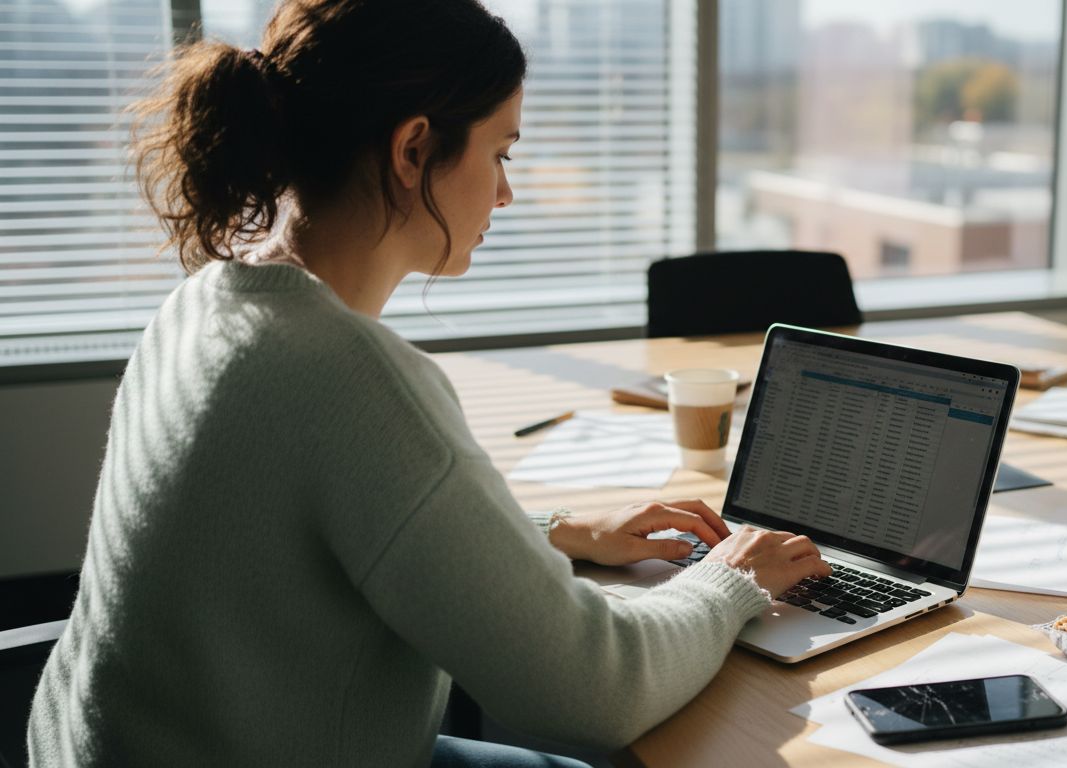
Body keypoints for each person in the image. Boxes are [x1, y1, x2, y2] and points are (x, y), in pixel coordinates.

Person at [26, 1, 831, 765]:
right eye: (501, 152)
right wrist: (731, 581)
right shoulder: (345, 377)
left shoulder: (206, 301)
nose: (507, 190)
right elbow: (598, 690)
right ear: (414, 150)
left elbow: (324, 528)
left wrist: (547, 531)